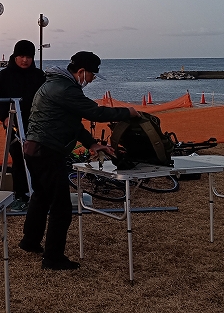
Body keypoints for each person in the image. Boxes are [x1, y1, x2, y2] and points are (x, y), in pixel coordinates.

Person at [19, 51, 138, 270]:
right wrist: (128, 112)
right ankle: (53, 258)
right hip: (48, 151)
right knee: (61, 207)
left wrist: (92, 144)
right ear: (82, 71)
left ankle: (30, 241)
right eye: (92, 75)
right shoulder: (65, 89)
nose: (91, 80)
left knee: (41, 196)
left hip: (34, 149)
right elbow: (95, 112)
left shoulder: (54, 84)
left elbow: (72, 123)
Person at [0, 40, 46, 211]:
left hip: (37, 124)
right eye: (21, 56)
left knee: (39, 158)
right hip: (15, 124)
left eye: (28, 57)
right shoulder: (4, 76)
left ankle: (39, 193)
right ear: (15, 57)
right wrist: (5, 116)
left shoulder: (39, 75)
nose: (25, 60)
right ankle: (20, 195)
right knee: (19, 159)